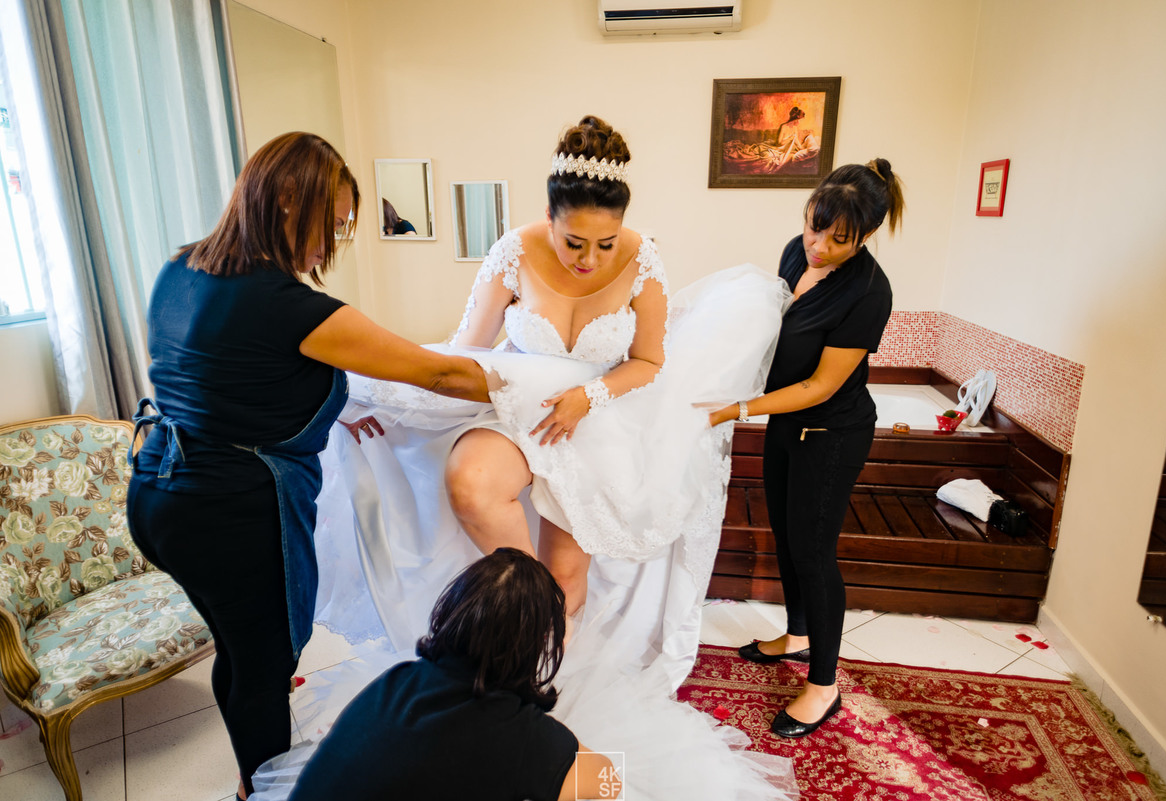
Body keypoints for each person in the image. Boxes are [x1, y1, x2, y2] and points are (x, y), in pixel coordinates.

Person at [317, 115, 790, 686]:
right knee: (471, 484)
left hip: (598, 416)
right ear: (549, 217)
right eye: (573, 242)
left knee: (568, 572)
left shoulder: (643, 260)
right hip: (519, 414)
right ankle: (524, 613)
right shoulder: (513, 250)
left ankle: (544, 677)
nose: (589, 259)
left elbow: (648, 362)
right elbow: (466, 347)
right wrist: (386, 400)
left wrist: (589, 396)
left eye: (605, 244)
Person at [127, 131, 490, 799]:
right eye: (336, 219)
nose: (338, 239)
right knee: (265, 663)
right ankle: (263, 789)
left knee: (238, 648)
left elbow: (225, 374)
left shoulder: (181, 267)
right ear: (289, 199)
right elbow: (436, 369)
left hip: (156, 489)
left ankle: (248, 776)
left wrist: (342, 409)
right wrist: (527, 388)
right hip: (224, 507)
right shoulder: (293, 307)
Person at [709, 158, 903, 738]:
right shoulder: (797, 251)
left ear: (865, 236)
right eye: (814, 226)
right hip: (786, 425)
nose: (817, 246)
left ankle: (824, 686)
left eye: (837, 239)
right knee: (788, 537)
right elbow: (771, 331)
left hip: (832, 434)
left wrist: (736, 410)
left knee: (815, 552)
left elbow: (820, 385)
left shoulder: (870, 292)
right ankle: (797, 636)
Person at [266, 548, 618, 801]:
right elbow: (608, 784)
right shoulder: (522, 733)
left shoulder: (399, 679)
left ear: (452, 610)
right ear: (540, 642)